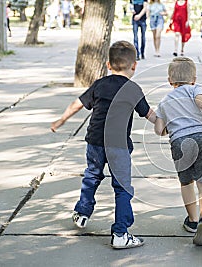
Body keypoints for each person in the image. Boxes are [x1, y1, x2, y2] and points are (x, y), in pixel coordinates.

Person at [51, 41, 157, 249]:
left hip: (95, 142)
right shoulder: (133, 89)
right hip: (118, 145)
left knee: (92, 175)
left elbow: (77, 104)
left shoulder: (100, 85)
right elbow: (149, 113)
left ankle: (82, 212)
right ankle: (120, 233)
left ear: (108, 64)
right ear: (134, 66)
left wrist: (61, 120)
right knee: (123, 187)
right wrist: (164, 126)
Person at [154, 57, 202, 246]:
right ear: (194, 79)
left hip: (180, 141)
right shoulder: (195, 89)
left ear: (170, 80)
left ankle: (193, 221)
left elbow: (159, 129)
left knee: (186, 182)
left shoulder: (164, 102)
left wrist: (167, 128)